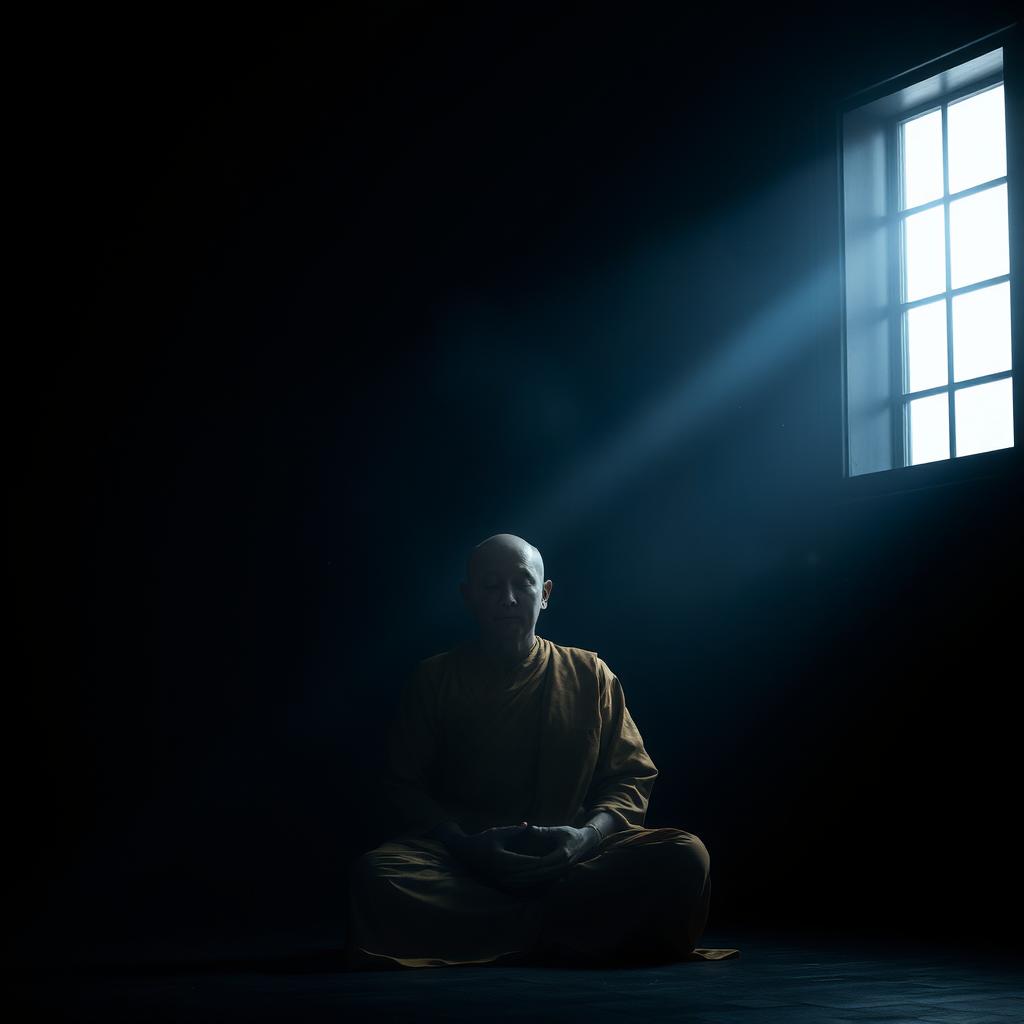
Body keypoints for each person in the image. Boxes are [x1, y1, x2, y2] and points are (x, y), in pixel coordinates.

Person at [345, 533, 739, 969]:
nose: (508, 599)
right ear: (468, 596)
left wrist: (585, 838)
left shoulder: (590, 674)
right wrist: (465, 845)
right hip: (468, 864)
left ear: (545, 593)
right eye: (491, 586)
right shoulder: (435, 679)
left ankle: (501, 931)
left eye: (523, 584)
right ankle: (572, 930)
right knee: (378, 876)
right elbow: (404, 785)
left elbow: (631, 775)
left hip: (572, 859)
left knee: (685, 856)